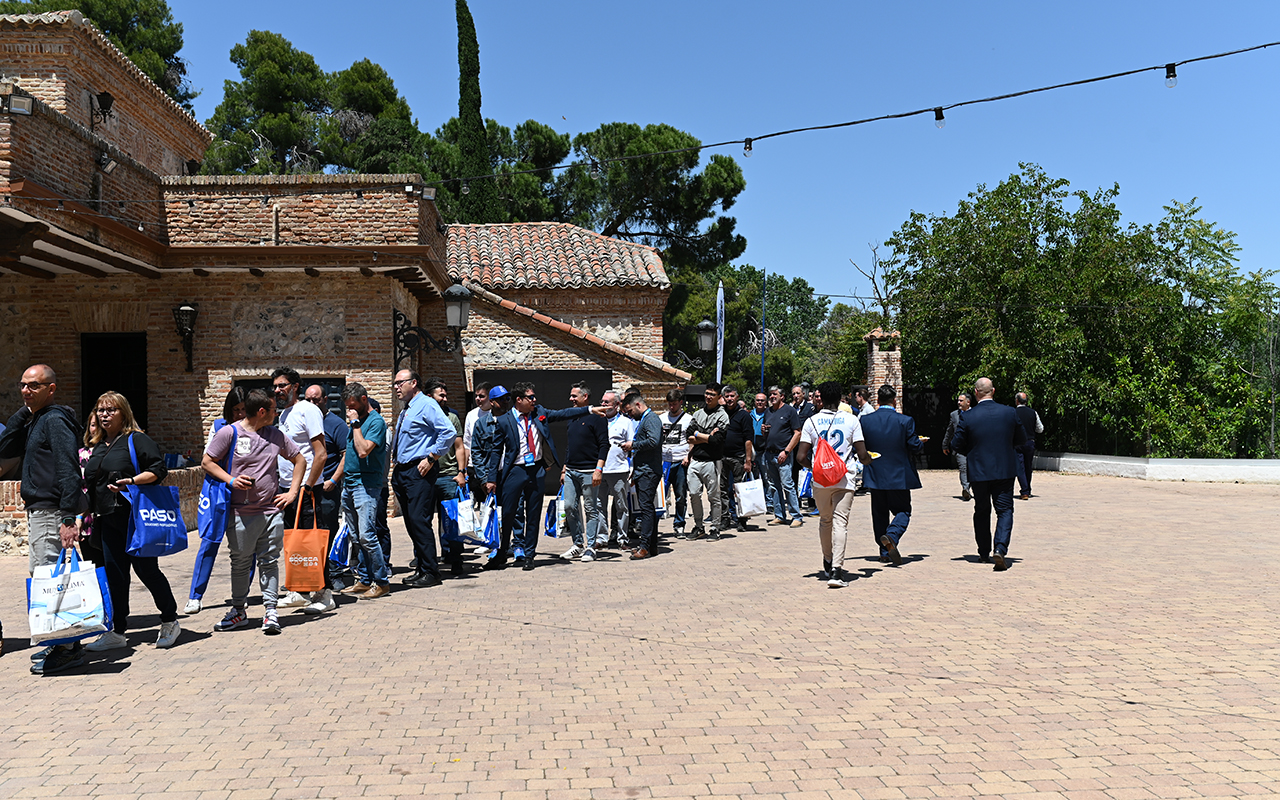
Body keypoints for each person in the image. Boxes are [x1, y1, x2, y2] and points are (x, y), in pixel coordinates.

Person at [3, 365, 90, 674]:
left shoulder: (53, 421)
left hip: (52, 511)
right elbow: (5, 448)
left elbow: (68, 468)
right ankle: (61, 643)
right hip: (41, 510)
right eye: (23, 385)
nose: (27, 390)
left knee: (52, 578)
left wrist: (68, 518)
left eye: (35, 386)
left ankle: (67, 648)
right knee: (45, 577)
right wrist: (23, 413)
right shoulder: (36, 419)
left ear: (51, 389)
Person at [81, 391, 181, 651]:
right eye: (101, 410)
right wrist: (84, 515)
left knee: (146, 571)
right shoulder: (100, 445)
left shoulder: (136, 440)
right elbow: (92, 484)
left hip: (134, 519)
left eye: (110, 410)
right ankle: (118, 631)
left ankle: (170, 619)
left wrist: (133, 481)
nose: (104, 415)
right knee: (114, 575)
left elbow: (159, 470)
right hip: (106, 519)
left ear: (123, 412)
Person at [203, 388, 306, 634]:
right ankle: (239, 611)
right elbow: (207, 462)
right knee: (240, 563)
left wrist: (292, 493)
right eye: (273, 410)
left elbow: (300, 460)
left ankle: (271, 611)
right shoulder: (230, 433)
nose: (276, 414)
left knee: (269, 561)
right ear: (262, 411)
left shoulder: (275, 435)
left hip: (271, 511)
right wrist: (230, 480)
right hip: (240, 513)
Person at [484, 381, 593, 571]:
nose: (535, 400)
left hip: (536, 470)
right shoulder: (504, 421)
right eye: (530, 397)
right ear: (519, 400)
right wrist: (491, 478)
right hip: (514, 471)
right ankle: (502, 552)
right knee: (508, 513)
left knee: (533, 514)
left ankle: (529, 555)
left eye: (534, 397)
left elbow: (563, 414)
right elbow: (496, 451)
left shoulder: (539, 413)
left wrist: (590, 410)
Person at [796, 382, 872, 587]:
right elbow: (862, 453)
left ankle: (827, 559)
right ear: (840, 398)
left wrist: (814, 467)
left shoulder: (811, 422)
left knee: (825, 520)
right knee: (841, 522)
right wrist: (868, 460)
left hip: (821, 480)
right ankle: (837, 570)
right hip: (844, 477)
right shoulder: (851, 420)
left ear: (820, 397)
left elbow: (801, 456)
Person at [390, 369, 460, 587]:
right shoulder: (408, 408)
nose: (396, 387)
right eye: (395, 383)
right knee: (411, 522)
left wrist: (431, 458)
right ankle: (421, 568)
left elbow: (448, 432)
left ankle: (431, 572)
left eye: (400, 383)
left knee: (420, 521)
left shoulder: (427, 404)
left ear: (414, 383)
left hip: (419, 471)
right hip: (403, 471)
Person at [270, 368, 330, 613]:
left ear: (295, 386)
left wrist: (306, 486)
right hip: (287, 489)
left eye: (282, 385)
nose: (277, 390)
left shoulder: (308, 410)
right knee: (295, 543)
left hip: (307, 489)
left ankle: (324, 594)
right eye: (274, 386)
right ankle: (300, 591)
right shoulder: (283, 414)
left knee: (312, 541)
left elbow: (321, 454)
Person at [951, 377, 1026, 571]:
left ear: (975, 393)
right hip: (1004, 470)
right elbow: (1021, 439)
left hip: (979, 471)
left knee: (982, 510)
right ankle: (1000, 548)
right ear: (993, 391)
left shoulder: (968, 416)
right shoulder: (1009, 412)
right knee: (1005, 510)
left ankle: (984, 552)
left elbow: (956, 445)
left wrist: (975, 454)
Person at [187, 387, 247, 613]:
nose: (240, 414)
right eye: (236, 410)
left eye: (243, 410)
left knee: (244, 546)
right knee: (209, 542)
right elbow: (208, 460)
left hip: (245, 493)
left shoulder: (257, 429)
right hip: (219, 491)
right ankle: (195, 595)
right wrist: (230, 479)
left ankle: (242, 594)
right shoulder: (219, 427)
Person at [859, 384, 924, 565]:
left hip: (875, 473)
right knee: (903, 510)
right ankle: (892, 535)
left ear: (877, 401)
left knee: (879, 513)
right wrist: (920, 442)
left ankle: (884, 551)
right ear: (894, 401)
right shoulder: (905, 421)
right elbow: (914, 446)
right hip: (899, 475)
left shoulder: (865, 421)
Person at [338, 382, 391, 599]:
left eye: (352, 405)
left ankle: (381, 581)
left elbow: (363, 451)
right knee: (356, 536)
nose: (349, 410)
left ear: (364, 400)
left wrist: (355, 424)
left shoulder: (375, 422)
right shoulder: (356, 422)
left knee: (368, 535)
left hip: (366, 486)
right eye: (347, 407)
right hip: (349, 484)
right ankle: (364, 578)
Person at [301, 384, 347, 609]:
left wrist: (334, 480)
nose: (312, 404)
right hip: (305, 490)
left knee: (326, 536)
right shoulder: (303, 420)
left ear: (325, 400)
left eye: (316, 400)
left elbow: (346, 455)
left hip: (326, 490)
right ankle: (306, 581)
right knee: (307, 537)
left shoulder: (335, 424)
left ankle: (330, 578)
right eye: (308, 399)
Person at [558, 381, 608, 562]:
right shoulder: (572, 416)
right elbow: (570, 446)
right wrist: (564, 469)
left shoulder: (598, 417)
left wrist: (598, 469)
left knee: (590, 509)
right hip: (571, 470)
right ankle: (577, 544)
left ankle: (591, 547)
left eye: (574, 396)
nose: (570, 399)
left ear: (585, 397)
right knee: (570, 506)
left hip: (589, 471)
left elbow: (604, 445)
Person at [424, 380, 467, 576]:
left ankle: (455, 560)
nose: (445, 398)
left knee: (451, 520)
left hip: (448, 476)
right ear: (430, 396)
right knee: (422, 520)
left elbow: (459, 447)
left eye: (445, 395)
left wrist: (461, 472)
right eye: (441, 395)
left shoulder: (452, 417)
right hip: (425, 476)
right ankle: (424, 560)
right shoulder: (421, 416)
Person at [619, 392, 662, 559]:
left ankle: (645, 547)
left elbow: (654, 441)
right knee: (647, 508)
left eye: (630, 411)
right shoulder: (645, 419)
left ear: (638, 405)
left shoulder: (651, 419)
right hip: (643, 470)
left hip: (649, 471)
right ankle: (651, 546)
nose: (630, 415)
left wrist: (633, 445)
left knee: (646, 509)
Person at [686, 383, 729, 540]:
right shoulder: (698, 414)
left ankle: (715, 528)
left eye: (712, 394)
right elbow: (689, 435)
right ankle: (699, 527)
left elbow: (717, 440)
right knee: (694, 494)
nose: (708, 397)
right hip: (696, 460)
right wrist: (706, 436)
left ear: (719, 397)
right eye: (707, 393)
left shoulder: (722, 415)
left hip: (713, 461)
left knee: (714, 496)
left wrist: (700, 436)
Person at [598, 389, 637, 550]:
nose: (603, 405)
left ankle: (622, 537)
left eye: (606, 402)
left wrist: (632, 467)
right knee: (599, 505)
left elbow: (632, 445)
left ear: (617, 405)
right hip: (599, 470)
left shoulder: (626, 422)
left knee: (621, 506)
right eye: (602, 402)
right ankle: (601, 538)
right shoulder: (597, 420)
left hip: (619, 470)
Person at [762, 385, 803, 528]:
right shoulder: (768, 412)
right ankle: (779, 515)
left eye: (775, 394)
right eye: (770, 394)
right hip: (769, 454)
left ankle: (796, 516)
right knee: (773, 486)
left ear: (782, 396)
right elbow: (768, 432)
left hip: (783, 454)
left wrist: (786, 451)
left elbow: (797, 433)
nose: (772, 397)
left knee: (787, 485)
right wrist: (763, 431)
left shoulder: (789, 411)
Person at [718, 385, 755, 534]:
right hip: (722, 457)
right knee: (722, 490)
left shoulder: (744, 415)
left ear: (737, 397)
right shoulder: (720, 414)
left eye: (732, 396)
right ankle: (725, 518)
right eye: (727, 396)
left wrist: (748, 460)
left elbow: (748, 440)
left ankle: (741, 519)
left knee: (740, 490)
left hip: (738, 457)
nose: (729, 399)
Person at [659, 388, 692, 539]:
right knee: (659, 495)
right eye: (669, 404)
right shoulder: (661, 418)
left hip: (680, 461)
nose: (671, 407)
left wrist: (688, 456)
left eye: (674, 404)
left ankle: (679, 524)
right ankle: (653, 525)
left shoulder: (689, 419)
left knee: (680, 495)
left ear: (680, 403)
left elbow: (692, 440)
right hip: (664, 461)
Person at [463, 382, 493, 501]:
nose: (477, 399)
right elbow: (467, 443)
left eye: (481, 396)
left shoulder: (497, 414)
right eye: (476, 396)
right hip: (474, 467)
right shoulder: (471, 415)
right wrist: (464, 469)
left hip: (491, 466)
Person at [941, 392, 974, 502]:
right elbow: (949, 431)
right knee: (963, 468)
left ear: (968, 402)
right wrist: (945, 444)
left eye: (961, 400)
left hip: (974, 448)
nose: (958, 402)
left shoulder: (976, 413)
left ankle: (977, 489)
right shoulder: (954, 415)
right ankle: (966, 489)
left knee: (974, 469)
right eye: (958, 400)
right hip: (960, 448)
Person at [1014, 392, 1044, 500]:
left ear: (1017, 401)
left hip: (1017, 443)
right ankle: (1027, 490)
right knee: (1028, 466)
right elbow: (1040, 429)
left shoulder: (1013, 412)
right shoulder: (1033, 413)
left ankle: (1025, 491)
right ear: (1026, 401)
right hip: (1030, 442)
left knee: (1020, 467)